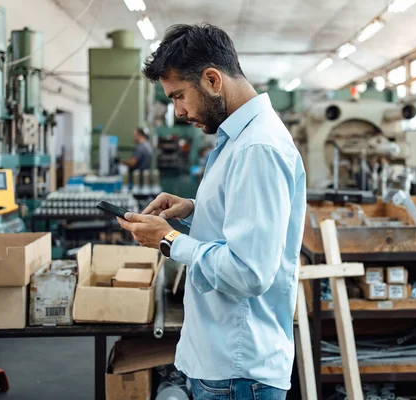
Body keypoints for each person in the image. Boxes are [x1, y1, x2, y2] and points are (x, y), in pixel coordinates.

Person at [116, 23, 306, 400]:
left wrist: (169, 240)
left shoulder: (257, 148)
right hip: (222, 359)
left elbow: (250, 272)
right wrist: (194, 211)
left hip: (237, 369)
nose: (179, 111)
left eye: (179, 96)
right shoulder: (240, 140)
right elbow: (243, 219)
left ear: (213, 80)